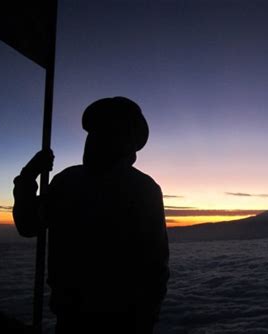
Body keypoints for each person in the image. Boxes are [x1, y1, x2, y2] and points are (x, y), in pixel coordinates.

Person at [13, 97, 169, 333]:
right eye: (96, 132)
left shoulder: (68, 182)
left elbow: (28, 224)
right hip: (114, 319)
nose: (96, 139)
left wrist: (28, 177)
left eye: (107, 132)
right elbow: (157, 265)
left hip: (95, 318)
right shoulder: (142, 188)